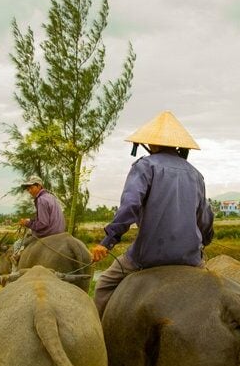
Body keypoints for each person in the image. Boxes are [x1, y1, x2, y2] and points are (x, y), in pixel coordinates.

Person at [91, 111, 215, 317]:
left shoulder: (145, 166)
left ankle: (101, 341)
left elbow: (130, 205)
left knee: (104, 285)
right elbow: (205, 218)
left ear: (151, 144)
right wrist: (204, 242)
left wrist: (108, 242)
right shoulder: (195, 175)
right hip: (190, 258)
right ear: (179, 146)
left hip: (147, 256)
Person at [12, 176, 66, 263]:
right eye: (28, 189)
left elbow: (43, 223)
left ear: (39, 186)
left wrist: (27, 223)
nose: (29, 191)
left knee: (18, 244)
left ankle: (16, 266)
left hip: (49, 233)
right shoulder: (51, 197)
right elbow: (46, 218)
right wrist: (31, 221)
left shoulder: (41, 199)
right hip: (60, 231)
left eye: (31, 188)